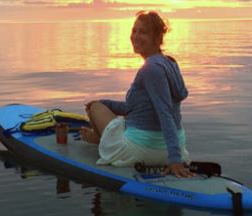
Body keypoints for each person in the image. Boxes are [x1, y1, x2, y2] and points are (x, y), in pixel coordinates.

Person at [80, 11, 195, 178]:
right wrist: (105, 102)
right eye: (134, 31)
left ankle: (100, 141)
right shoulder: (170, 62)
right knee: (101, 105)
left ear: (157, 37)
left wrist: (175, 160)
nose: (135, 36)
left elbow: (165, 113)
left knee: (95, 108)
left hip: (145, 150)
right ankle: (101, 138)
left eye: (143, 32)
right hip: (177, 143)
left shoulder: (151, 69)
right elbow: (135, 108)